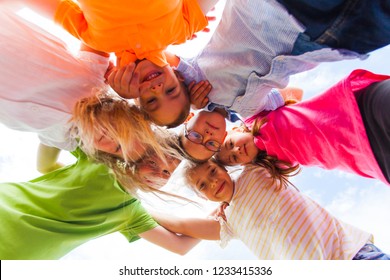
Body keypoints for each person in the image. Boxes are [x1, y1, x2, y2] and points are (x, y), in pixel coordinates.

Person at [108, 0, 389, 128]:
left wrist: (129, 84)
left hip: (280, 11)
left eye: (154, 97)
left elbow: (155, 57)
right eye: (167, 94)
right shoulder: (250, 112)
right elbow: (293, 97)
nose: (158, 87)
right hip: (338, 43)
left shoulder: (196, 73)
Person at [152, 158, 390, 260]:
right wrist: (129, 208)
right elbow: (179, 226)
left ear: (224, 167)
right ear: (200, 195)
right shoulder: (228, 220)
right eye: (203, 185)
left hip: (350, 254)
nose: (213, 182)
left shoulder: (255, 170)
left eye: (213, 171)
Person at [0, 146, 196, 260]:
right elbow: (180, 245)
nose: (156, 172)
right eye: (154, 163)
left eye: (166, 173)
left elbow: (179, 246)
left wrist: (225, 215)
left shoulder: (129, 211)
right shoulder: (102, 160)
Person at [215, 69, 390, 185]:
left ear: (235, 130)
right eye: (234, 158)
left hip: (355, 110)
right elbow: (246, 190)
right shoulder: (268, 167)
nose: (237, 151)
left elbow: (296, 92)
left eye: (230, 144)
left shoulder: (253, 117)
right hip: (365, 154)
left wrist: (300, 120)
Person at [0, 5, 109, 151]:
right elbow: (102, 31)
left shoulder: (60, 136)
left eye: (118, 148)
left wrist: (48, 167)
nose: (111, 137)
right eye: (125, 132)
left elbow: (46, 159)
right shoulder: (94, 83)